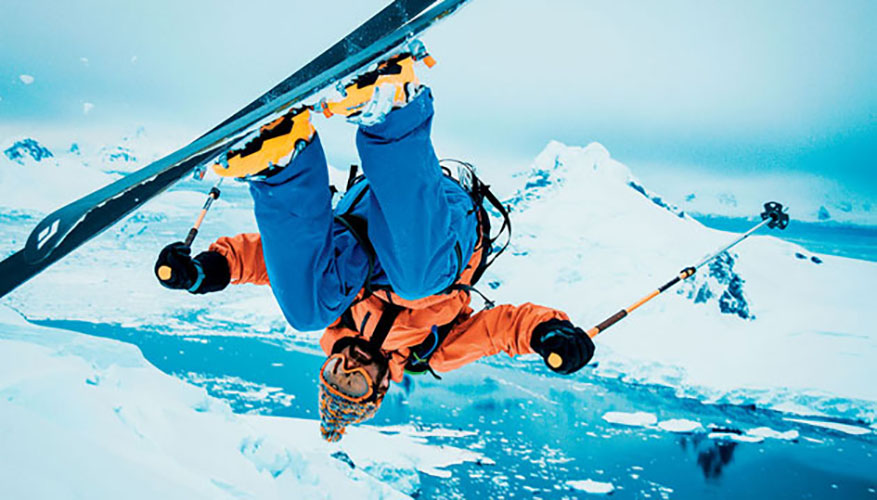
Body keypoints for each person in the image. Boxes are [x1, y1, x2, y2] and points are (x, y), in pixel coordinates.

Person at [155, 53, 595, 442]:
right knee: (416, 282)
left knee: (306, 312)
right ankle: (393, 109)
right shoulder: (433, 349)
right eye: (355, 385)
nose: (348, 370)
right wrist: (546, 334)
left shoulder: (336, 315)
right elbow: (502, 330)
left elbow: (264, 261)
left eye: (335, 377)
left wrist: (206, 271)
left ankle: (282, 161)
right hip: (440, 232)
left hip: (364, 220)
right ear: (378, 388)